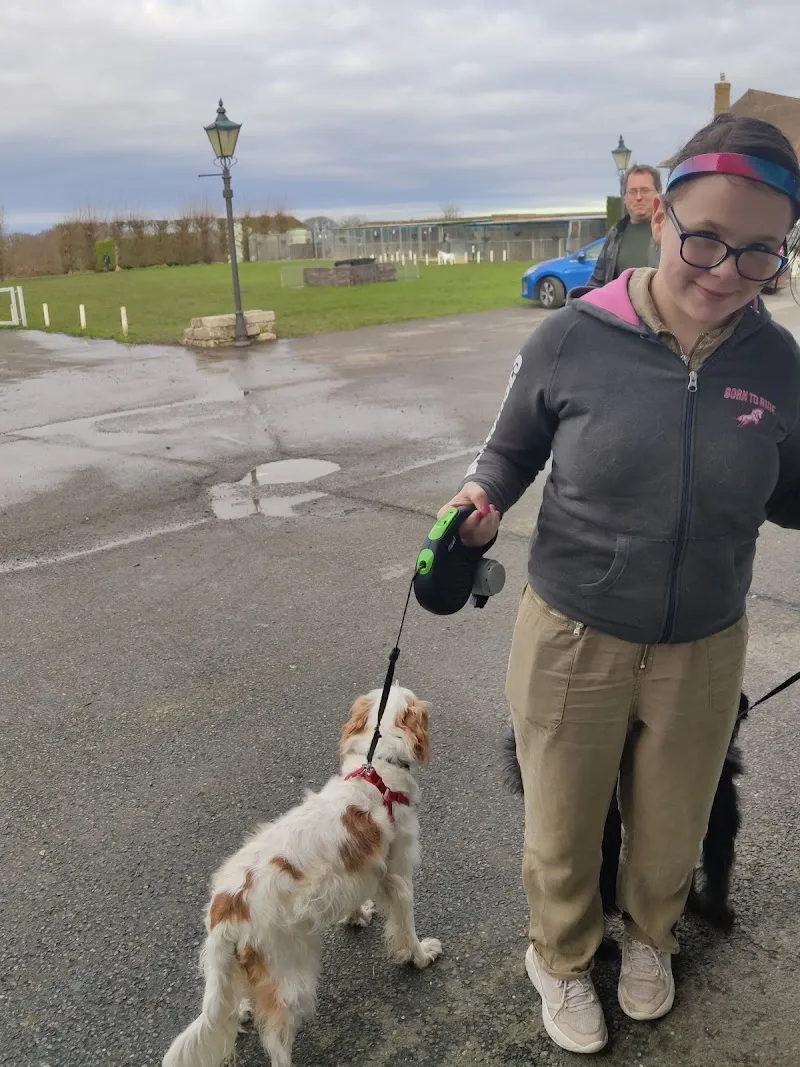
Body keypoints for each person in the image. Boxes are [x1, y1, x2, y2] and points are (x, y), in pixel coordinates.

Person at [438, 114, 800, 1054]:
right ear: (663, 215)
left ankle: (649, 942)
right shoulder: (574, 335)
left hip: (707, 641)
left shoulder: (778, 363)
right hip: (574, 634)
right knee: (561, 824)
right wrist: (479, 498)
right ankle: (559, 958)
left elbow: (795, 494)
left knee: (673, 824)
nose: (726, 270)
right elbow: (507, 452)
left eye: (761, 252)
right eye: (706, 238)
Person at [587, 164, 661, 287]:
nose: (638, 197)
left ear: (658, 194)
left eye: (645, 190)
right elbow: (597, 282)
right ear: (625, 197)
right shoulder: (616, 234)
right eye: (632, 192)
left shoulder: (671, 231)